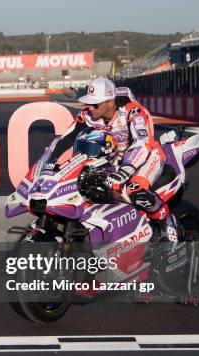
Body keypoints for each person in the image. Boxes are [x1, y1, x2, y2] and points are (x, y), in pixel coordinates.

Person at [59, 77, 177, 243]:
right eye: (88, 103)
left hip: (147, 157)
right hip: (115, 161)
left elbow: (142, 143)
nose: (90, 108)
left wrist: (127, 168)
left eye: (95, 104)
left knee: (135, 190)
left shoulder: (133, 111)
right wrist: (50, 163)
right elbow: (65, 138)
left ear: (110, 102)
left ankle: (167, 222)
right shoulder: (87, 116)